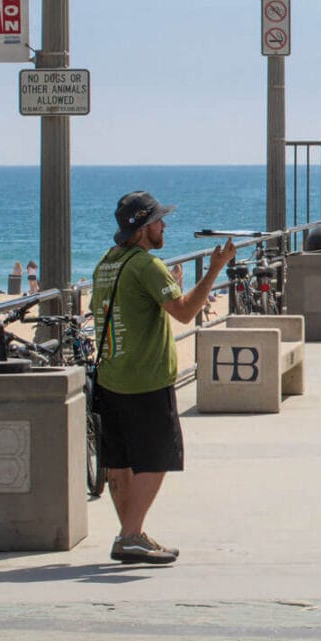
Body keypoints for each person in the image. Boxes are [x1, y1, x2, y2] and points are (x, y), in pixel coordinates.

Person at [91, 191, 235, 565]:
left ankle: (131, 533)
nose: (164, 225)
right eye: (157, 220)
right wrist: (216, 268)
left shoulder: (107, 263)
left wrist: (168, 283)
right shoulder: (146, 264)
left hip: (110, 373)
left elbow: (130, 305)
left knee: (119, 460)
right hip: (146, 378)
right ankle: (130, 534)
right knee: (156, 456)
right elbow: (185, 313)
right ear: (141, 228)